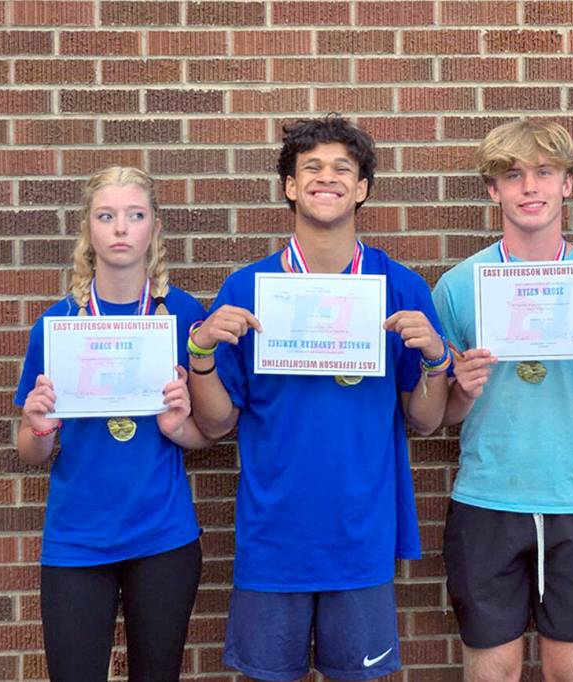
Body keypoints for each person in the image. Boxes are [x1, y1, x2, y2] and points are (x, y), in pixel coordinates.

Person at [186, 114, 449, 682]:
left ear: (362, 189)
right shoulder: (247, 288)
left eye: (341, 169)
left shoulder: (400, 287)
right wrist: (200, 352)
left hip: (360, 531)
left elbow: (424, 420)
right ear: (289, 185)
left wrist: (436, 358)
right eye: (310, 168)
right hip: (274, 533)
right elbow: (216, 422)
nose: (325, 179)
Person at [431, 119, 573, 681]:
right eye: (513, 176)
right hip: (487, 499)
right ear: (493, 190)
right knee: (491, 673)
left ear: (567, 185)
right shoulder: (460, 285)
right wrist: (461, 386)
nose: (530, 188)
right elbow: (438, 416)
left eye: (544, 173)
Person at [15, 166, 210, 682]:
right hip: (77, 539)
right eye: (107, 216)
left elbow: (208, 434)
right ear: (89, 230)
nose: (121, 228)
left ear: (154, 229)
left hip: (162, 537)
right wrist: (39, 427)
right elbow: (30, 450)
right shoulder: (58, 325)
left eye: (135, 215)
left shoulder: (185, 316)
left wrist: (179, 427)